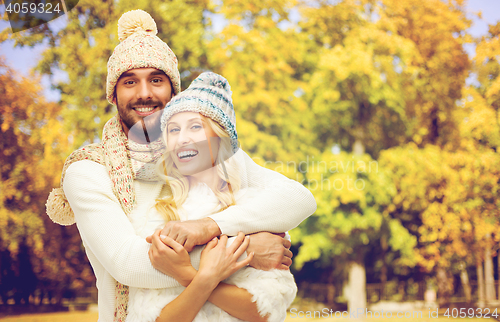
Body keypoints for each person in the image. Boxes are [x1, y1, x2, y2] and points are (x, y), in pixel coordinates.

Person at [45, 9, 316, 321]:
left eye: (156, 80)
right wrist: (247, 249)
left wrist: (209, 228)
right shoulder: (89, 171)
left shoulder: (204, 153)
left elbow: (298, 199)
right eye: (130, 81)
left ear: (173, 91)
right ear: (113, 94)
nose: (144, 93)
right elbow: (128, 263)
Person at [125, 72, 299, 322]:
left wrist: (186, 274)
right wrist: (207, 275)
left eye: (195, 126)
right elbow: (152, 317)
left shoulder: (256, 210)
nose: (182, 138)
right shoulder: (155, 215)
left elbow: (263, 311)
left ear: (220, 138)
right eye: (173, 130)